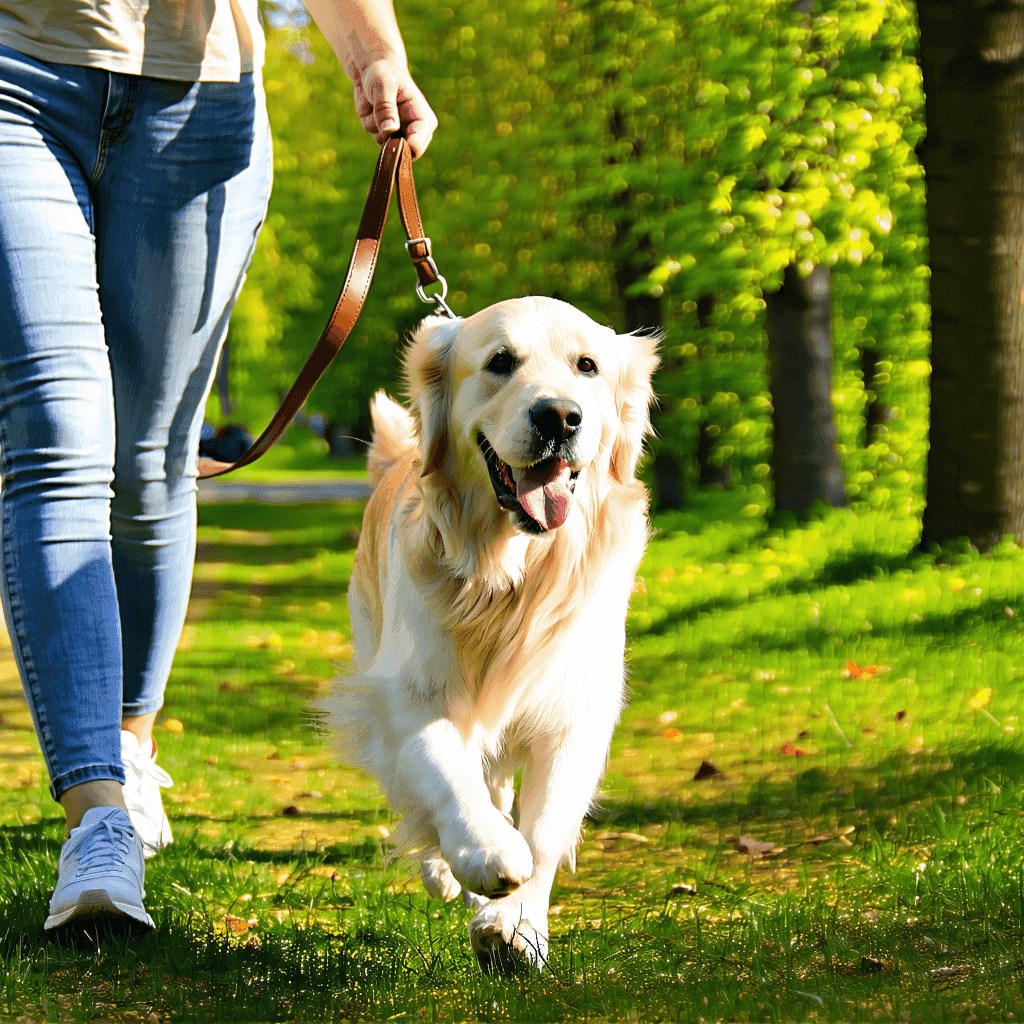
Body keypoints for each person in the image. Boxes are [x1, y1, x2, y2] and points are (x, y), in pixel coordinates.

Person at [0, 0, 436, 933]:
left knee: (152, 458)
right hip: (17, 67)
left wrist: (375, 55)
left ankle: (129, 746)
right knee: (59, 436)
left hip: (201, 102)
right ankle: (97, 820)